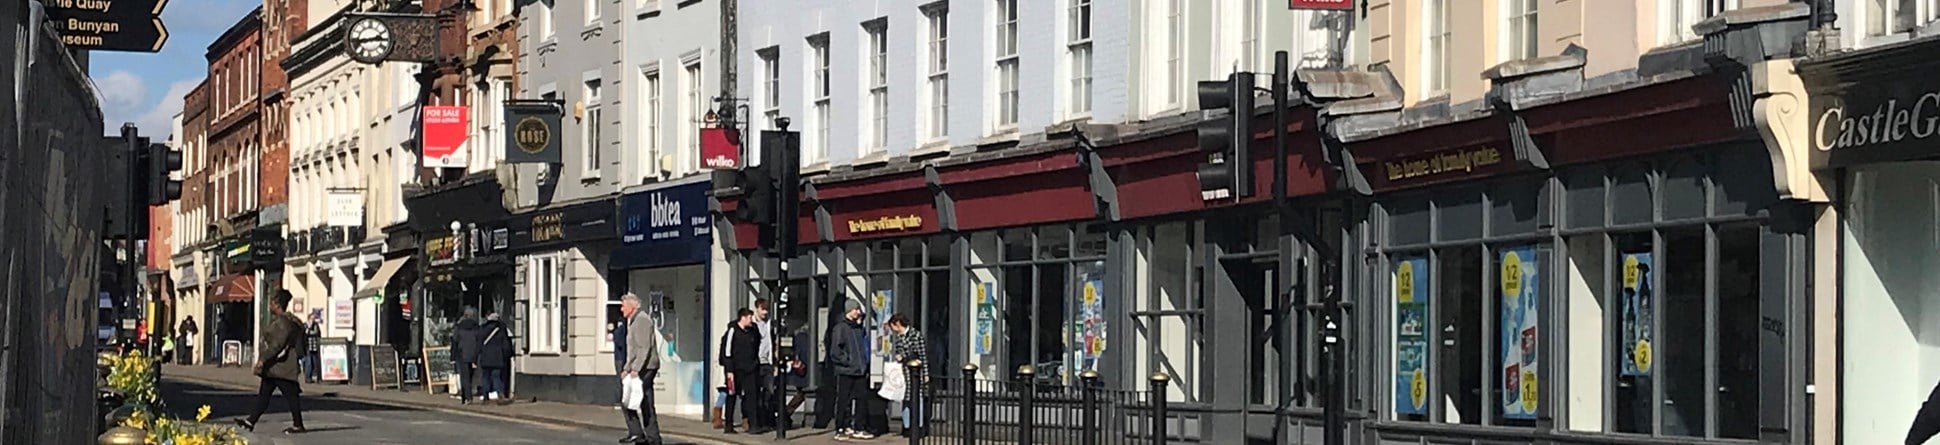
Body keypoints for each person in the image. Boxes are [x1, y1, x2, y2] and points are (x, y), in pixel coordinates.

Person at [235, 290, 307, 434]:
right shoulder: (287, 321)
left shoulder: (282, 322)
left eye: (271, 303)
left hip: (281, 366)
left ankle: (298, 425)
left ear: (277, 304)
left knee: (291, 396)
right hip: (276, 367)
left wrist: (263, 359)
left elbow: (277, 345)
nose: (269, 305)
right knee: (265, 395)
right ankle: (250, 421)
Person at [619, 293, 663, 445]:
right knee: (645, 401)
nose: (621, 309)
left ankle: (637, 433)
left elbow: (644, 347)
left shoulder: (642, 320)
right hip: (641, 366)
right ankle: (652, 437)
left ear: (631, 306)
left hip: (646, 367)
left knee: (628, 399)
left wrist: (636, 369)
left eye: (623, 305)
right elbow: (634, 350)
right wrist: (627, 368)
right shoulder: (635, 320)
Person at [828, 300, 872, 441]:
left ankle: (859, 427)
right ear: (849, 311)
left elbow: (863, 347)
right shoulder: (840, 328)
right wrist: (847, 361)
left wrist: (863, 363)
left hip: (859, 370)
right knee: (843, 400)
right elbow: (835, 351)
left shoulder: (858, 328)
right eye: (856, 309)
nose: (858, 312)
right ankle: (840, 427)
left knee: (861, 399)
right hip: (846, 370)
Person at [721, 309, 764, 434]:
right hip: (734, 370)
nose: (752, 320)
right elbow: (727, 351)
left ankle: (754, 425)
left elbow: (757, 345)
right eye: (750, 317)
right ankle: (728, 425)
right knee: (732, 395)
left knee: (752, 396)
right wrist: (729, 370)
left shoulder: (753, 331)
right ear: (743, 318)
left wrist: (756, 363)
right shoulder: (733, 331)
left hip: (750, 369)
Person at [886, 313, 927, 437]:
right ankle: (907, 426)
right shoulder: (899, 338)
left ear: (897, 324)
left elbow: (923, 356)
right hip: (903, 374)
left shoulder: (916, 336)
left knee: (917, 399)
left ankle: (918, 426)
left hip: (915, 373)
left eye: (893, 326)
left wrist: (925, 373)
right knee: (905, 399)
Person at [477, 313, 515, 404]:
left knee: (485, 377)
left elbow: (479, 344)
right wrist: (507, 355)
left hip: (485, 357)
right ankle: (500, 395)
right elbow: (506, 346)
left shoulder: (482, 329)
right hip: (497, 357)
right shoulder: (501, 330)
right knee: (496, 377)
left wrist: (478, 356)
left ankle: (485, 397)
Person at [751, 299, 776, 432]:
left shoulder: (770, 324)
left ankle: (767, 421)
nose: (765, 312)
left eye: (767, 310)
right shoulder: (752, 323)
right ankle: (756, 421)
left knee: (769, 393)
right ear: (757, 308)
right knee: (756, 394)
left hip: (768, 363)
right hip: (756, 363)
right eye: (763, 309)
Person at [452, 307, 483, 404]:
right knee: (471, 376)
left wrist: (452, 356)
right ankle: (468, 395)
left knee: (464, 377)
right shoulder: (477, 327)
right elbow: (479, 342)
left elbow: (455, 342)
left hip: (462, 354)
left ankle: (466, 397)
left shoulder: (459, 327)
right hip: (474, 355)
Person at [302, 316, 322, 383]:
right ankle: (308, 377)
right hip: (308, 346)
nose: (313, 320)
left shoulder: (316, 325)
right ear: (308, 319)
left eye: (314, 319)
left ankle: (314, 376)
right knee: (309, 362)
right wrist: (309, 328)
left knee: (314, 362)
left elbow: (318, 333)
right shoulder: (305, 325)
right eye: (311, 319)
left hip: (315, 346)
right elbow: (305, 334)